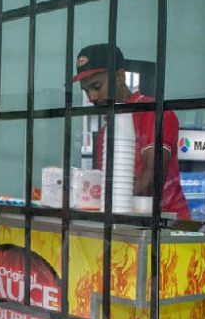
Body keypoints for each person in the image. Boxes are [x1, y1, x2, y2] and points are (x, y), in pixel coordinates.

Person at [73, 43, 191, 220]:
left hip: (166, 230)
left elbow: (150, 181)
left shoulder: (153, 113)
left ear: (119, 76)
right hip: (126, 224)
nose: (92, 97)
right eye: (86, 90)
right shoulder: (106, 132)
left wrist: (107, 198)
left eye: (97, 87)